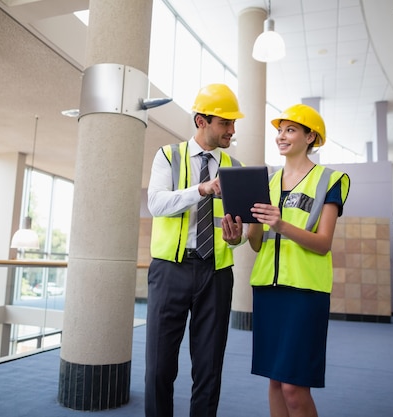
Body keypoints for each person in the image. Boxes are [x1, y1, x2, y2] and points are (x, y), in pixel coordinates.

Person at [223, 104, 350, 417]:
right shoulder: (265, 182)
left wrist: (281, 225)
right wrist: (237, 235)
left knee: (294, 387)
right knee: (276, 383)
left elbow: (323, 244)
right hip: (268, 289)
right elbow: (255, 241)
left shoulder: (329, 180)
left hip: (305, 292)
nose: (281, 136)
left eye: (290, 130)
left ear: (311, 137)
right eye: (279, 130)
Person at [145, 83, 246, 417]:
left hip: (216, 274)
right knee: (160, 367)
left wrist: (237, 239)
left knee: (209, 367)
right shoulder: (168, 156)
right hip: (169, 271)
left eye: (234, 123)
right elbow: (157, 204)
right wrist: (200, 189)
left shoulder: (235, 165)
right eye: (225, 123)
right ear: (201, 121)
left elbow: (243, 228)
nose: (232, 130)